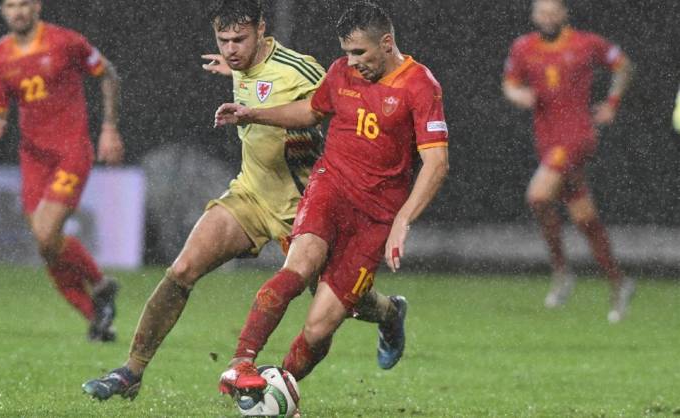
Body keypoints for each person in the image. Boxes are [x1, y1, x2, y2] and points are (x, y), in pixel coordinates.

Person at [81, 0, 407, 401]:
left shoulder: (300, 69)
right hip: (250, 195)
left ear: (262, 30)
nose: (231, 49)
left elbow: (343, 101)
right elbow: (253, 77)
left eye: (240, 39)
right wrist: (234, 71)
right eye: (223, 40)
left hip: (304, 205)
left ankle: (390, 311)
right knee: (182, 269)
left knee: (342, 304)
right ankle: (131, 372)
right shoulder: (239, 65)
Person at [216, 0, 449, 396]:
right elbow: (311, 111)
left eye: (359, 52)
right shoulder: (341, 72)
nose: (351, 61)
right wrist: (252, 114)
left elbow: (437, 163)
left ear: (386, 43)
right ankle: (242, 364)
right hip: (330, 188)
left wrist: (402, 220)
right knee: (298, 267)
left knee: (320, 325)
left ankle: (278, 389)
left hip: (376, 216)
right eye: (346, 52)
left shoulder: (420, 85)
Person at [0, 0, 123, 341]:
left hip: (71, 150)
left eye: (23, 4)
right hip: (33, 157)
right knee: (47, 247)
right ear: (2, 11)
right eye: (10, 5)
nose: (18, 11)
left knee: (46, 234)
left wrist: (109, 127)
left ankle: (100, 284)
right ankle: (97, 317)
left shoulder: (65, 41)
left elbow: (108, 73)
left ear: (37, 6)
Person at [502, 0, 635, 322]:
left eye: (553, 11)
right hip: (547, 140)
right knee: (584, 217)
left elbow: (623, 66)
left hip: (577, 136)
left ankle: (562, 271)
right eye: (541, 12)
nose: (547, 17)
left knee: (538, 196)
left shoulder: (586, 44)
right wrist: (518, 95)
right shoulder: (523, 47)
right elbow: (510, 84)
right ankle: (619, 282)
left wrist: (612, 103)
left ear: (564, 13)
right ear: (534, 15)